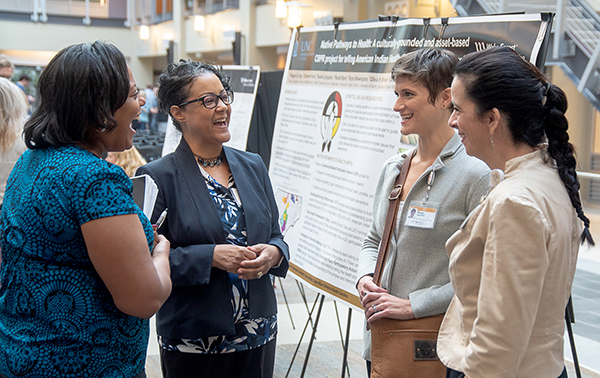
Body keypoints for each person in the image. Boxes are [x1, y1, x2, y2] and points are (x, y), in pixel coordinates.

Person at [0, 41, 172, 378]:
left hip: (21, 356)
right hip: (88, 363)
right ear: (100, 109)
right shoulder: (94, 179)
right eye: (133, 94)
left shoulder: (31, 162)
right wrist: (161, 252)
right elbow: (143, 299)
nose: (141, 104)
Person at [437, 46, 595, 378]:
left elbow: (498, 343)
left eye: (458, 109)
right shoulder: (548, 174)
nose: (452, 120)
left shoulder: (515, 201)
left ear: (492, 118)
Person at [136, 60, 289, 378]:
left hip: (258, 330)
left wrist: (273, 254)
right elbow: (143, 262)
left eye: (224, 96)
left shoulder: (252, 165)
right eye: (209, 100)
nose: (222, 107)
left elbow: (276, 234)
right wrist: (211, 257)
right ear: (178, 112)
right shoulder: (157, 176)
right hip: (194, 339)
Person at [355, 48, 490, 376]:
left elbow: (483, 275)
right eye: (396, 93)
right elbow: (373, 239)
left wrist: (412, 305)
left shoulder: (477, 174)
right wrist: (364, 278)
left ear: (445, 98)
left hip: (436, 346)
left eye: (408, 94)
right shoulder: (394, 168)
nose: (397, 105)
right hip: (382, 339)